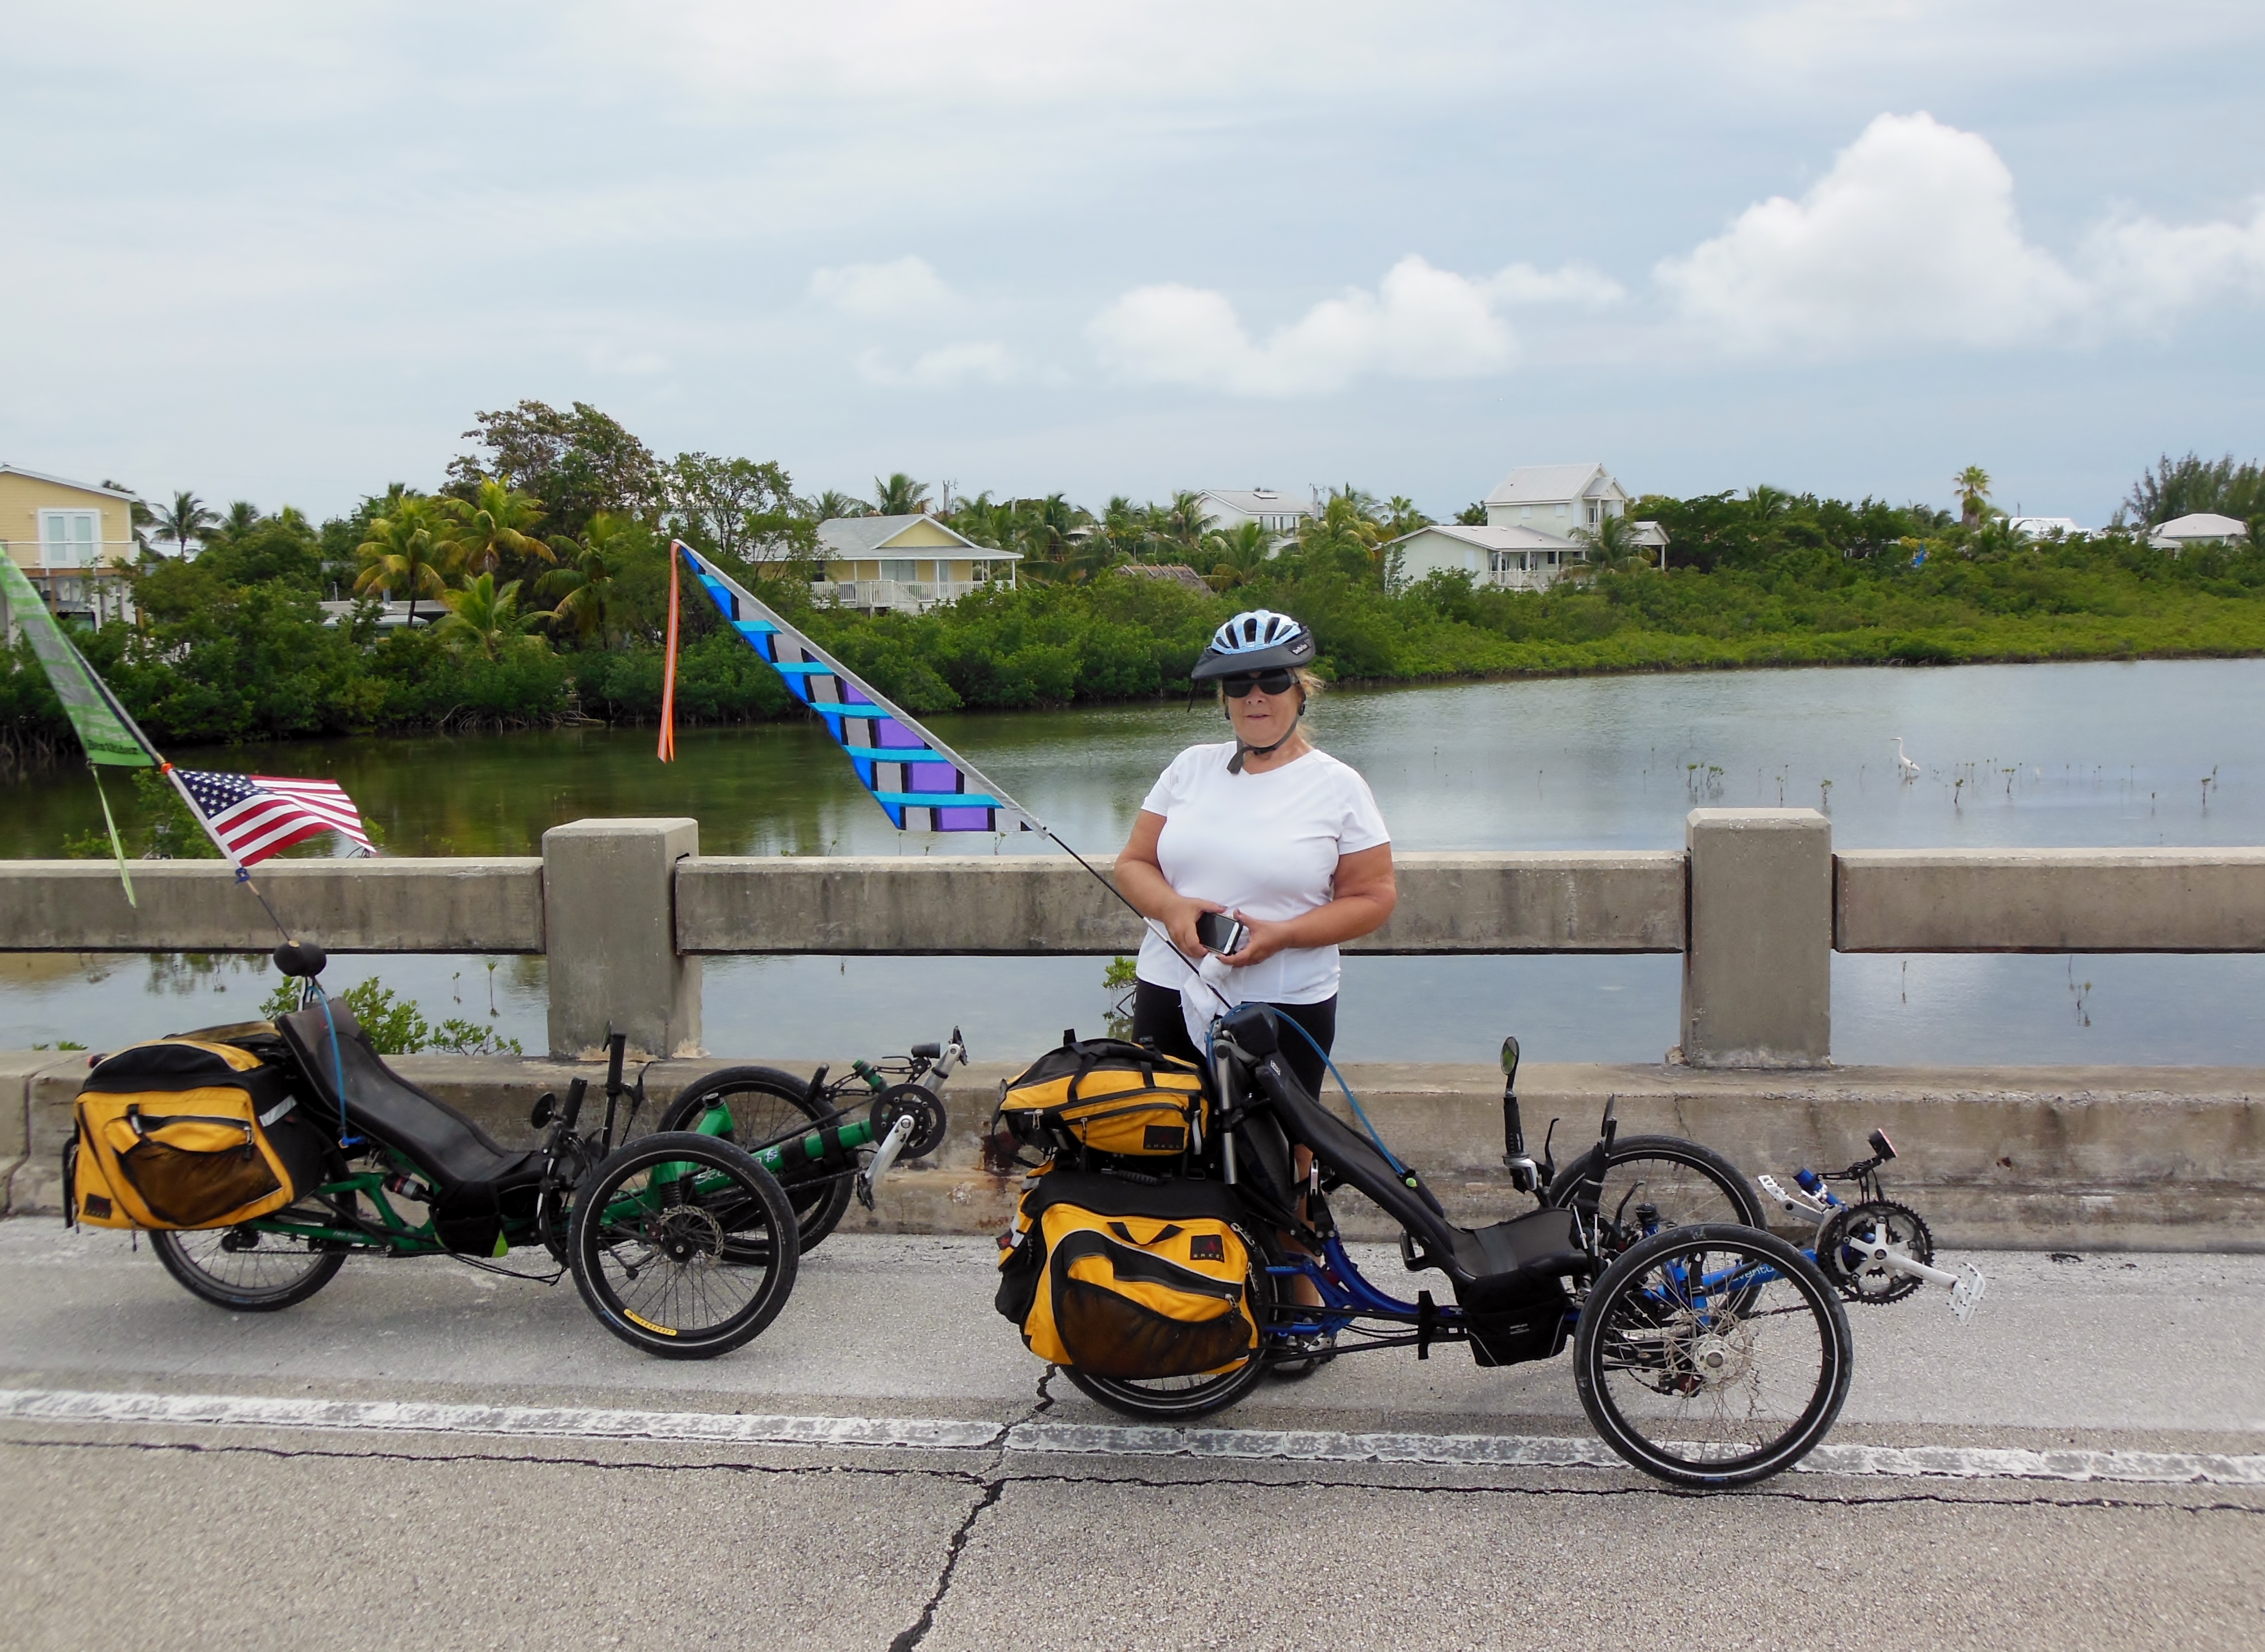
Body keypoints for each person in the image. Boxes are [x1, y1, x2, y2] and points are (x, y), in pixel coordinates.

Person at [1114, 607, 1397, 1122]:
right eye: (1237, 685)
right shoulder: (1189, 768)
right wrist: (1172, 908)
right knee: (1164, 1146)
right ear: (1223, 699)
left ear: (1300, 690)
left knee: (1280, 1154)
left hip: (1284, 1001)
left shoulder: (1337, 786)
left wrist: (1283, 934)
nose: (1255, 696)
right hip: (1171, 985)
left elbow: (1374, 897)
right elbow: (1134, 863)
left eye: (1271, 680)